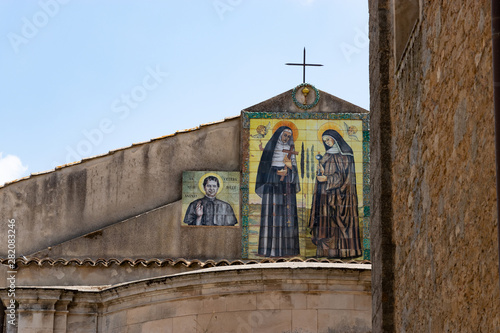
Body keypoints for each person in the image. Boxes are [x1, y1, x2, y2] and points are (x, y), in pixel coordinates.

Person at [308, 129, 362, 258]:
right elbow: (323, 175)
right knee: (325, 224)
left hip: (340, 198)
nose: (327, 142)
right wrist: (320, 173)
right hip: (325, 198)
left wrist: (328, 179)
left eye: (328, 139)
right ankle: (325, 252)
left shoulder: (345, 156)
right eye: (325, 140)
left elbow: (345, 178)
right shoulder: (326, 156)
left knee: (337, 225)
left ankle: (343, 252)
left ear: (336, 139)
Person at [255, 126, 300, 257]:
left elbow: (295, 172)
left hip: (287, 186)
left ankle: (288, 250)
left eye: (288, 136)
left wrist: (290, 168)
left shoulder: (291, 151)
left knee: (287, 215)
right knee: (272, 215)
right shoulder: (270, 149)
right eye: (284, 135)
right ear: (279, 135)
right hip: (272, 185)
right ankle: (269, 250)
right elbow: (264, 169)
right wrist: (275, 172)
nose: (286, 138)